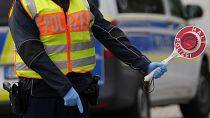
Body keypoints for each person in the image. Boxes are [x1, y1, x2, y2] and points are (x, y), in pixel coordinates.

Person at [8, 0, 167, 118]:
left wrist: (144, 64)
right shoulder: (26, 5)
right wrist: (63, 87)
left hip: (78, 90)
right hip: (40, 94)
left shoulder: (82, 3)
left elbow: (110, 35)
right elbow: (29, 50)